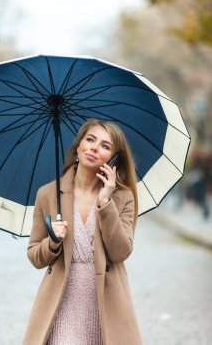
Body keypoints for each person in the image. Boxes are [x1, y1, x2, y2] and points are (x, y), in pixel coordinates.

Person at [23, 119, 143, 345]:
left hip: (107, 306)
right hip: (61, 303)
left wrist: (106, 203)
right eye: (90, 139)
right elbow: (34, 256)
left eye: (105, 146)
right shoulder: (48, 194)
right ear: (78, 147)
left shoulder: (122, 197)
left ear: (114, 159)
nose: (94, 147)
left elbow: (120, 252)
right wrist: (52, 243)